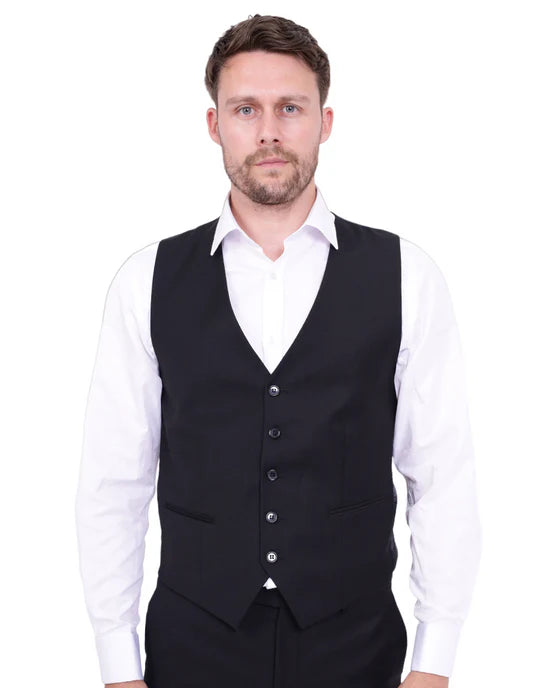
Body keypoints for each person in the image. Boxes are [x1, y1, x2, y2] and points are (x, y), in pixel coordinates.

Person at [74, 13, 482, 688]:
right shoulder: (145, 281)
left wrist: (433, 663)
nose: (268, 131)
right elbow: (113, 482)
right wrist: (118, 664)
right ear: (215, 125)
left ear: (325, 122)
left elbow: (441, 474)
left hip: (356, 644)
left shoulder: (407, 276)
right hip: (193, 643)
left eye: (290, 108)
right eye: (246, 109)